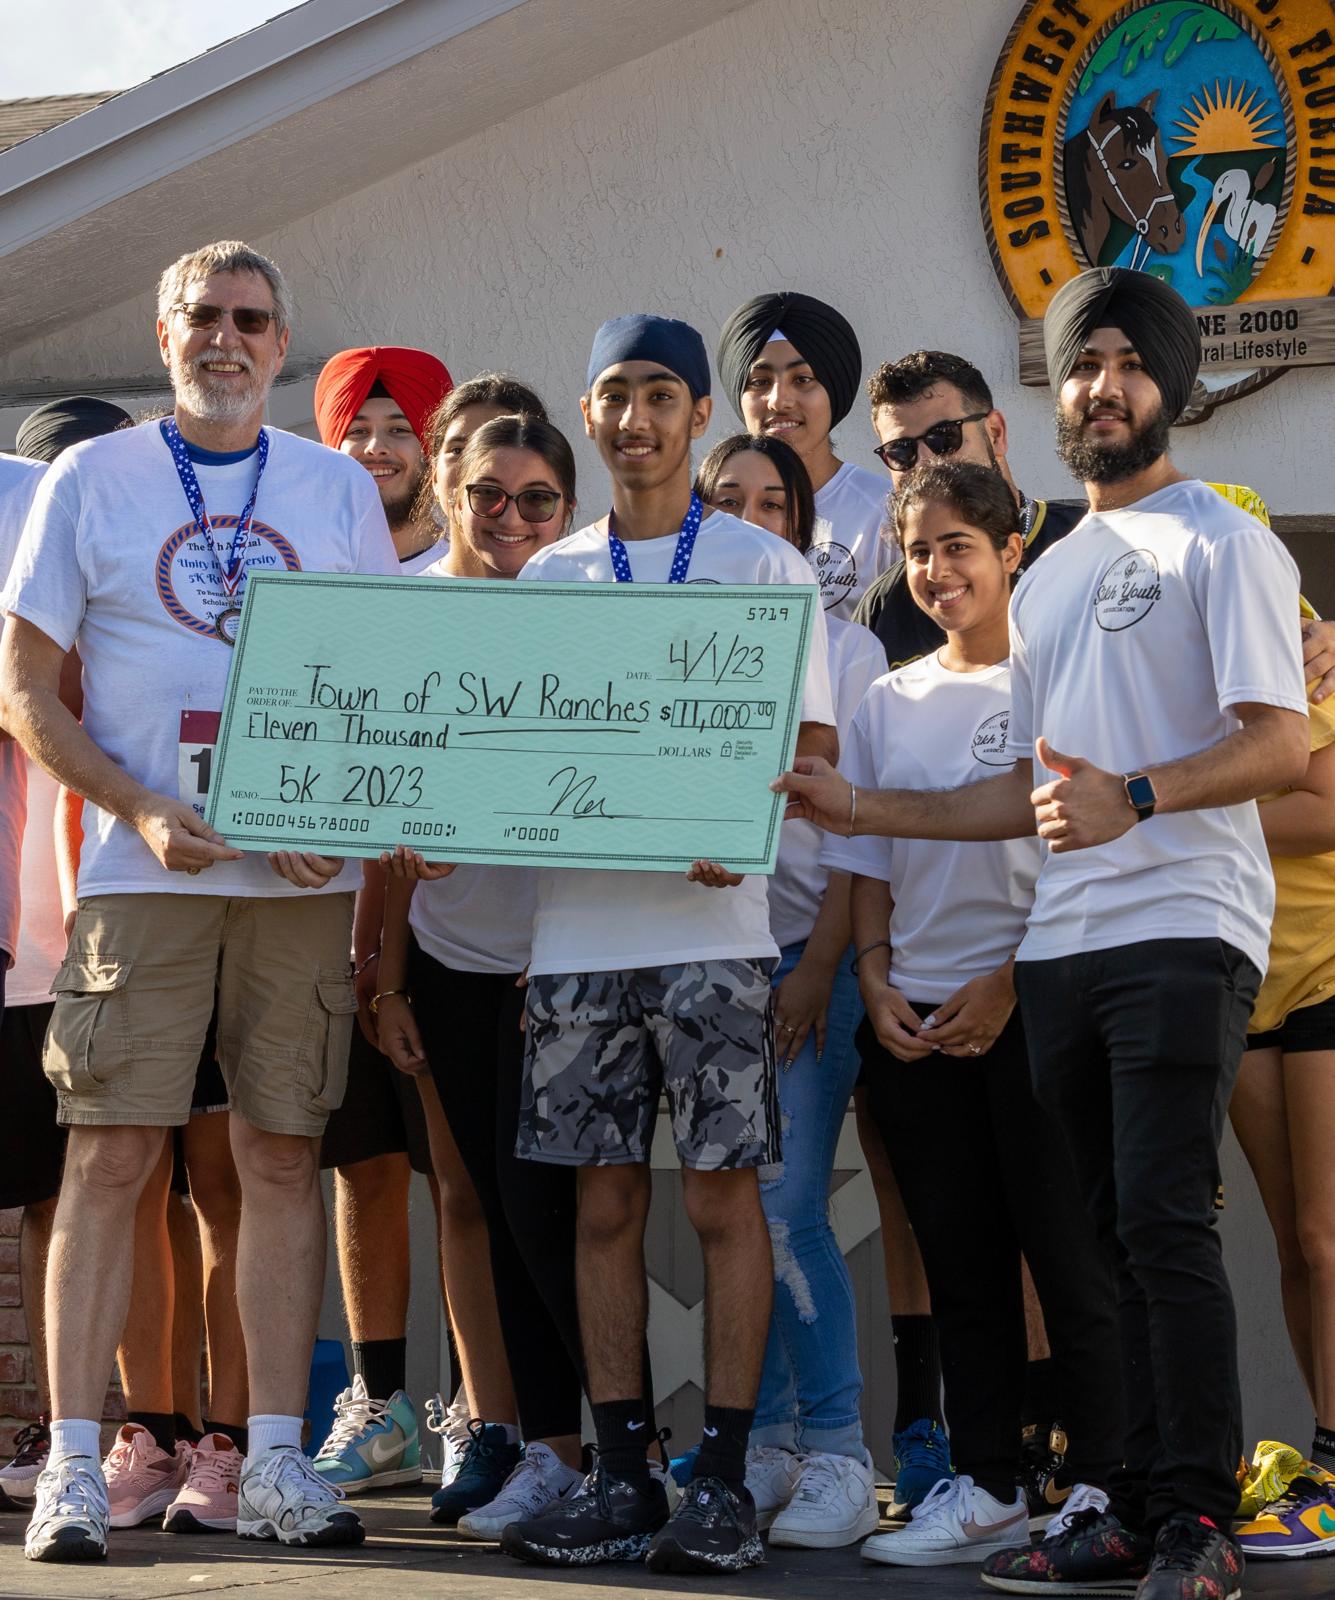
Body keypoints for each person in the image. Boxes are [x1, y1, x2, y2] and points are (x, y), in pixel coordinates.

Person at [776, 265, 1310, 1600]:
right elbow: (1017, 794)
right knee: (1096, 1234)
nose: (1099, 385)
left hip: (1182, 926)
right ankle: (1123, 1498)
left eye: (1126, 362)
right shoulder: (1058, 568)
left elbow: (1277, 744)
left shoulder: (1219, 540)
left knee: (1158, 1219)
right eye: (1080, 363)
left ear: (1168, 384)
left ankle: (1192, 1518)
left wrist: (1135, 795)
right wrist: (859, 802)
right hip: (1060, 947)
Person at [0, 239, 399, 1562]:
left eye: (252, 319)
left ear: (282, 345)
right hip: (142, 870)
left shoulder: (334, 486)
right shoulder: (90, 478)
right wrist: (136, 804)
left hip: (295, 879)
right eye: (203, 318)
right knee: (109, 1160)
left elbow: (387, 683)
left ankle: (275, 1461)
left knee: (280, 1157)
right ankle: (70, 1467)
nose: (226, 339)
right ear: (165, 337)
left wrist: (351, 817)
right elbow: (25, 685)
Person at [499, 313, 836, 1576]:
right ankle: (625, 1472)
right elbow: (504, 757)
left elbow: (811, 755)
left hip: (715, 938)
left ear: (700, 416)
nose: (635, 419)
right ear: (588, 416)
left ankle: (727, 1478)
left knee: (720, 1198)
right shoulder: (551, 579)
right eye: (614, 396)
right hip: (579, 938)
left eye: (660, 396)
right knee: (600, 1207)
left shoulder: (763, 568)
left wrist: (735, 820)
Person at [824, 461, 1122, 1567]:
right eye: (920, 549)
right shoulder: (885, 700)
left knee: (1070, 1254)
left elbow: (1082, 855)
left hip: (1034, 1007)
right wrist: (870, 976)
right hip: (918, 1023)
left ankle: (1100, 1482)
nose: (939, 568)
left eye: (961, 545)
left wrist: (1011, 980)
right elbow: (863, 861)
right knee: (962, 1267)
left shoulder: (1056, 685)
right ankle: (989, 1482)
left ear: (1011, 555)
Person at [375, 413, 595, 1537]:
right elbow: (375, 813)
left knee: (555, 1213)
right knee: (497, 1213)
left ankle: (586, 1446)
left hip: (567, 970)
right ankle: (528, 1441)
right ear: (449, 490)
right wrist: (386, 981)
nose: (509, 516)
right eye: (489, 494)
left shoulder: (588, 605)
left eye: (537, 498)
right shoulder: (401, 607)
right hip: (456, 966)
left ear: (569, 506)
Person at [693, 433, 884, 1546]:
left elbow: (866, 839)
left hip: (812, 960)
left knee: (783, 1205)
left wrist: (819, 967)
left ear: (807, 526)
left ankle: (840, 1449)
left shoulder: (849, 651)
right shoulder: (674, 638)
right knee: (732, 1211)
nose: (755, 517)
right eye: (731, 499)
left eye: (778, 502)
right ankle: (761, 1444)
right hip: (709, 959)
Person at [307, 346, 454, 1494]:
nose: (376, 449)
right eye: (356, 428)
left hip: (457, 923)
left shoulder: (476, 574)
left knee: (465, 1173)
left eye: (399, 426)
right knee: (362, 1164)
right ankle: (382, 1399)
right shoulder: (312, 581)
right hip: (328, 915)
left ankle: (475, 1408)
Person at [1229, 681, 1335, 1558]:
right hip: (1238, 978)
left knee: (1324, 1235)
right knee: (1294, 1246)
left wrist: (1164, 813)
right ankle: (1322, 1461)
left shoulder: (1313, 667)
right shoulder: (1171, 682)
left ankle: (1332, 1471)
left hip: (1327, 967)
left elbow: (1326, 810)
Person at [854, 351, 1085, 668]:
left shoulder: (1088, 538)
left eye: (944, 438)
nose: (925, 463)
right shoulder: (883, 609)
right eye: (901, 450)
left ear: (996, 433)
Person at [717, 291, 892, 618]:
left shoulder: (882, 514)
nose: (779, 400)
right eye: (760, 381)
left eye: (803, 379)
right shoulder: (708, 514)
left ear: (833, 392)